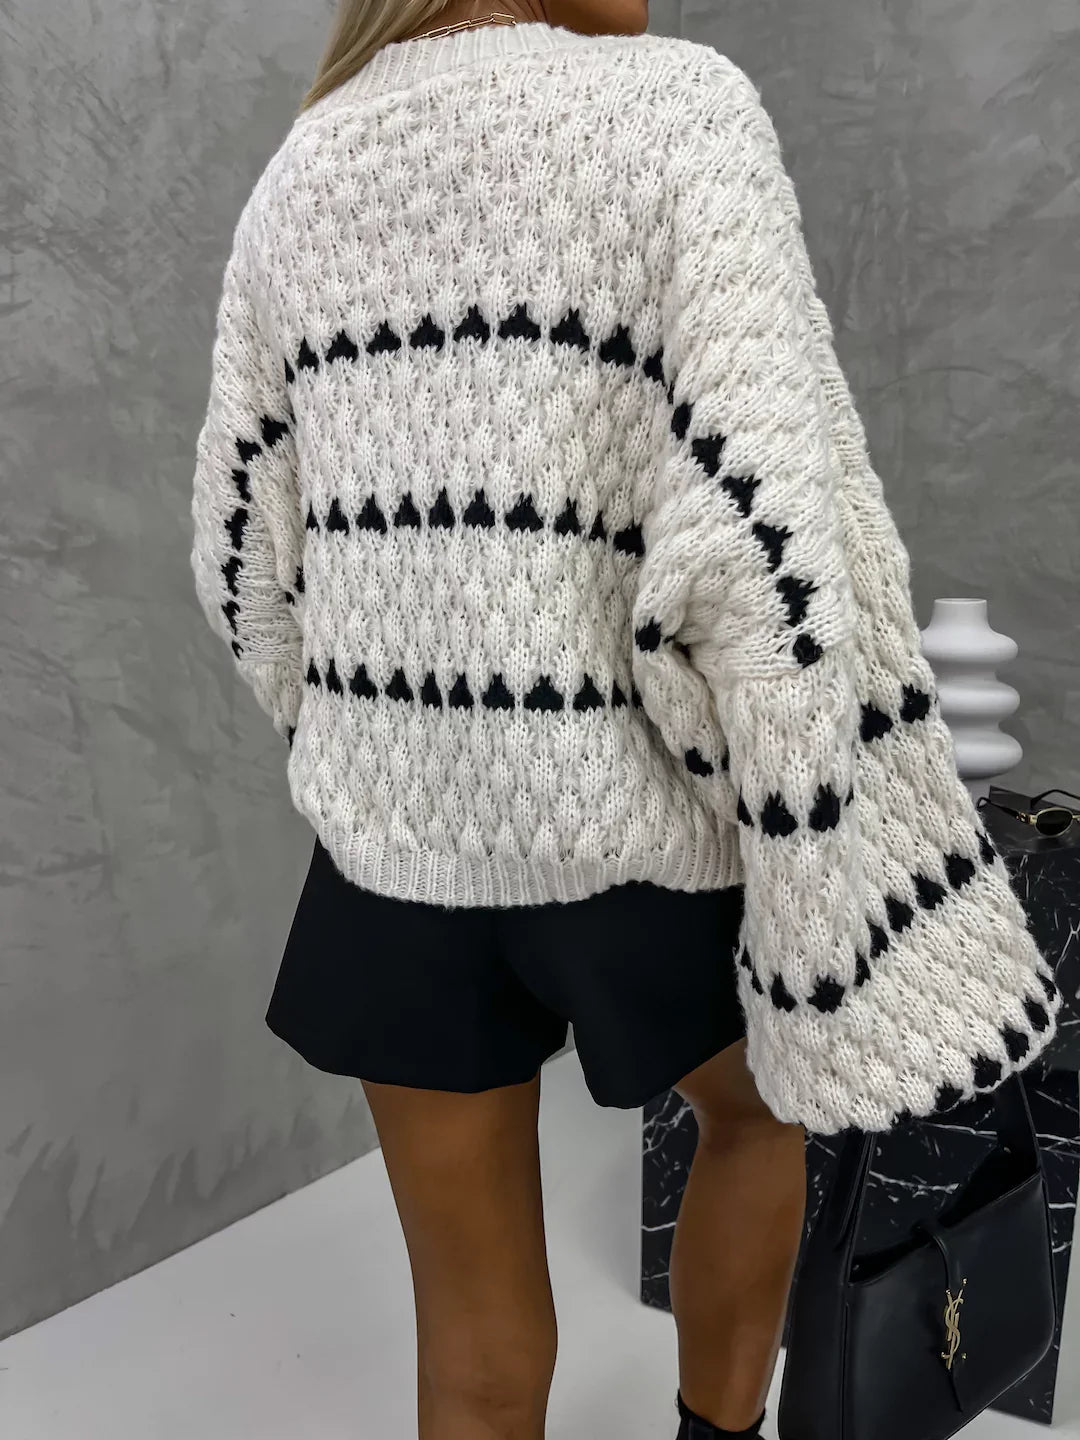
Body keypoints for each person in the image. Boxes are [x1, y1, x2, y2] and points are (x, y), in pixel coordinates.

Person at [188, 2, 1059, 1436]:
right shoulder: (675, 113)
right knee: (759, 1118)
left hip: (392, 856)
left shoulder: (304, 169)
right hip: (637, 826)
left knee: (470, 1337)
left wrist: (382, 739)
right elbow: (759, 553)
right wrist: (797, 839)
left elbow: (242, 561)